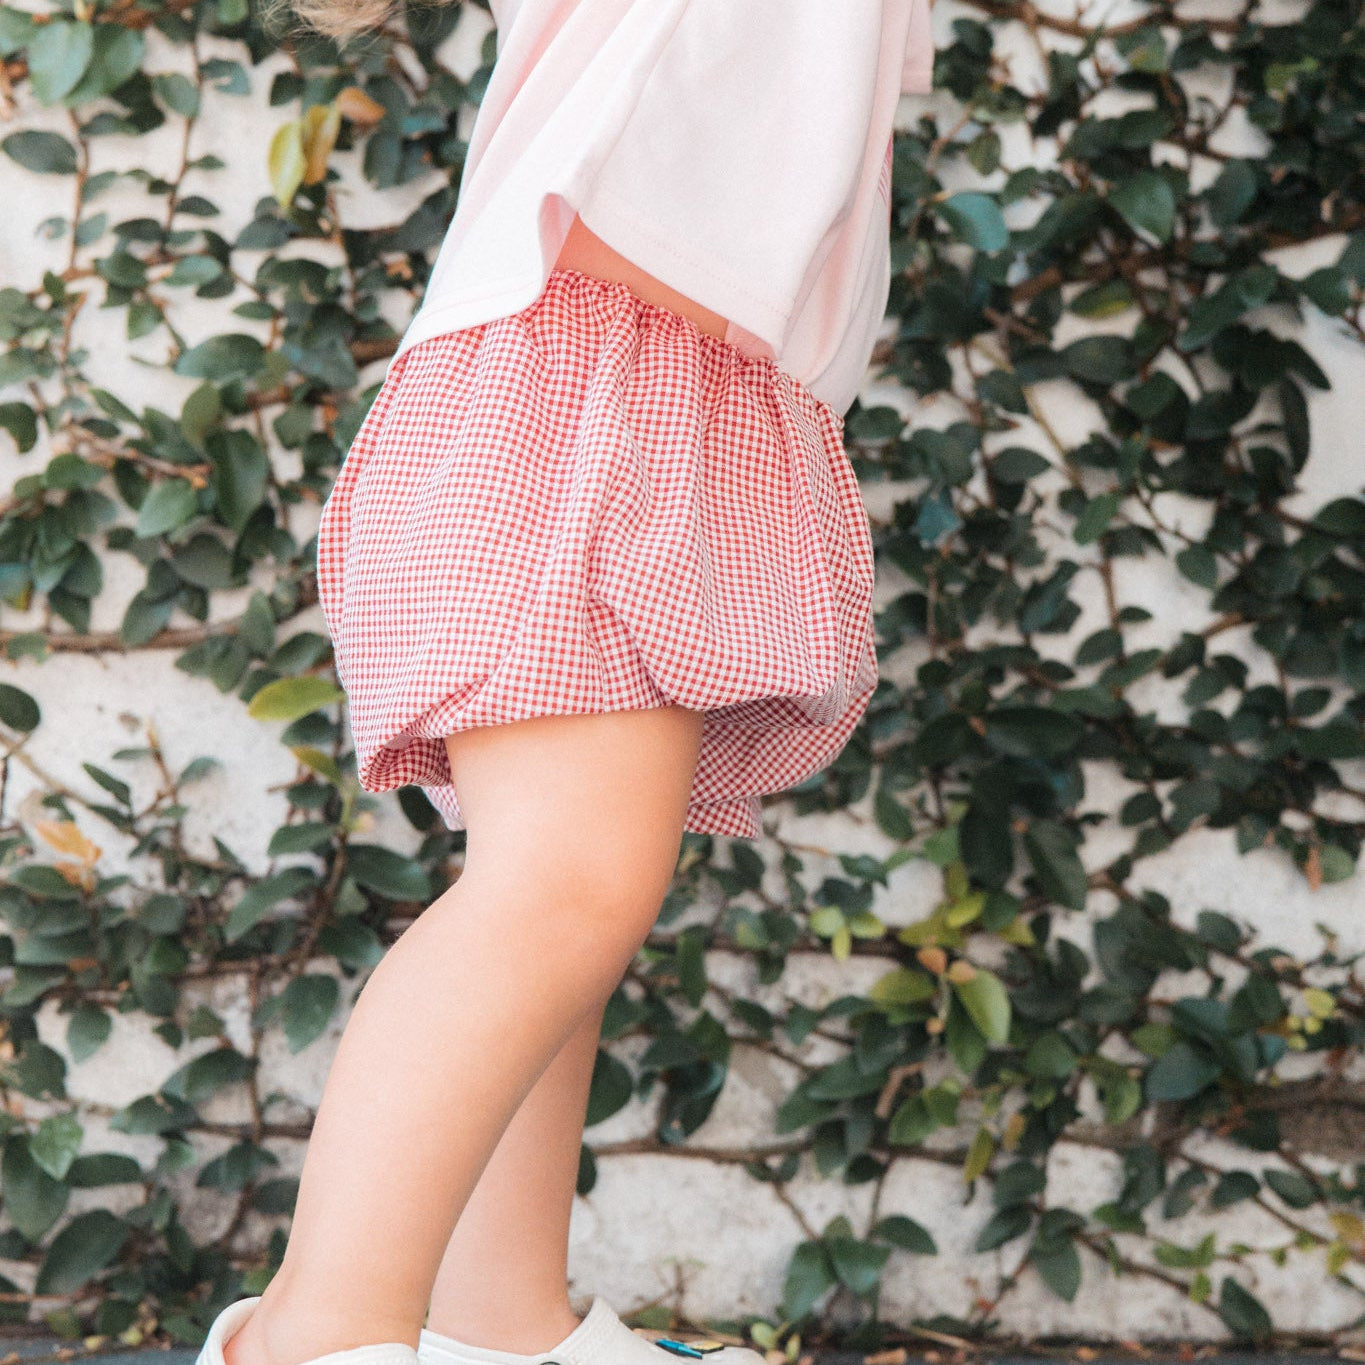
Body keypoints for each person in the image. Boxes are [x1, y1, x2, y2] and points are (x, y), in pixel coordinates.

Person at [195, 5, 934, 1365]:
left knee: (567, 902)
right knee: (562, 889)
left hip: (632, 381)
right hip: (589, 375)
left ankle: (502, 1325)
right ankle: (314, 1332)